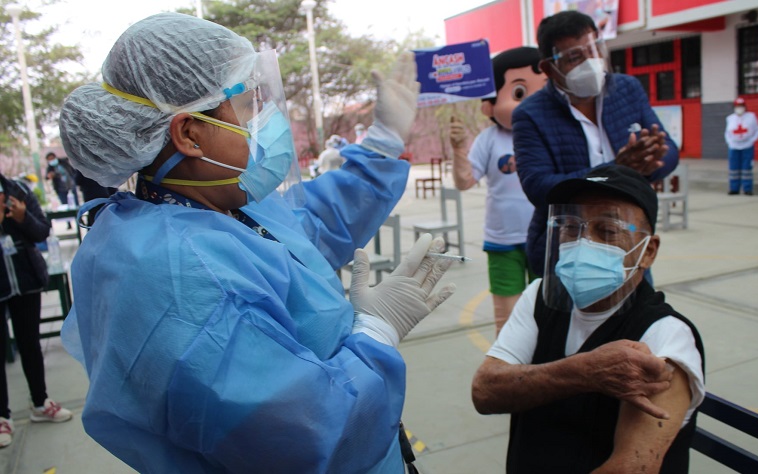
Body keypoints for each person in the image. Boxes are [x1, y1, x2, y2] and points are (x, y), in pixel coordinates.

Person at [58, 13, 455, 473]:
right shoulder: (181, 277)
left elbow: (310, 228)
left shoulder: (216, 205)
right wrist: (377, 334)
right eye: (247, 104)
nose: (265, 119)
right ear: (188, 133)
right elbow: (305, 434)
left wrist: (382, 143)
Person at [472, 165, 705, 473]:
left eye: (607, 231)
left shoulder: (666, 336)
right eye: (570, 227)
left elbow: (631, 467)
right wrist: (583, 371)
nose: (583, 243)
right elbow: (485, 392)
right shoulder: (540, 296)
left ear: (648, 251)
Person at [513, 10, 679, 276]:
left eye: (595, 48)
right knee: (568, 316)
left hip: (627, 238)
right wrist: (616, 170)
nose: (591, 61)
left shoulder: (627, 89)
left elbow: (669, 150)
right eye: (575, 57)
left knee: (634, 315)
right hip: (567, 249)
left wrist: (653, 160)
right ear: (548, 68)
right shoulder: (530, 114)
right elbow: (538, 186)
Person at [449, 47, 546, 335]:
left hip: (546, 237)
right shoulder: (489, 139)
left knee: (547, 311)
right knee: (508, 319)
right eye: (518, 93)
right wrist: (458, 150)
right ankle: (511, 374)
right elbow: (464, 181)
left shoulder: (551, 132)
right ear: (490, 105)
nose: (531, 102)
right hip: (503, 241)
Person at [0, 173, 73, 449]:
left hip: (26, 280)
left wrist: (21, 217)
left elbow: (42, 230)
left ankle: (41, 402)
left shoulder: (17, 190)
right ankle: (2, 416)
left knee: (30, 343)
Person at [724, 97, 758, 196]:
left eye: (741, 106)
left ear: (745, 107)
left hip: (747, 146)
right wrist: (730, 142)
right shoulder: (730, 118)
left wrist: (752, 140)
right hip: (734, 147)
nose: (739, 108)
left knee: (747, 168)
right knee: (733, 168)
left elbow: (757, 130)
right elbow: (727, 133)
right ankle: (734, 188)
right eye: (737, 106)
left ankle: (747, 188)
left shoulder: (751, 117)